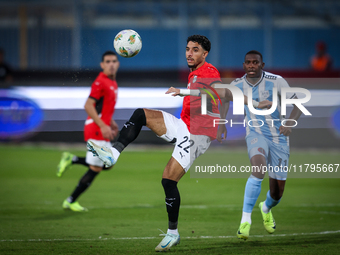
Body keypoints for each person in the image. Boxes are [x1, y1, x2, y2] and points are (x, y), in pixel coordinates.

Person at [87, 36, 271, 251]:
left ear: (205, 54)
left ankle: (173, 233)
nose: (189, 53)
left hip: (198, 135)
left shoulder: (209, 71)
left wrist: (256, 103)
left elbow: (221, 92)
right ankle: (113, 154)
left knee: (168, 181)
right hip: (184, 125)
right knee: (141, 114)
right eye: (187, 49)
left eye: (195, 50)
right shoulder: (194, 73)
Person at [217, 50, 302, 240]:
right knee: (258, 168)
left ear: (262, 65)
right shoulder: (237, 85)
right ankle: (245, 221)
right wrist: (222, 123)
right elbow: (225, 99)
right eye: (248, 62)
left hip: (279, 138)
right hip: (255, 133)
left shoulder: (277, 81)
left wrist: (289, 123)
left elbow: (298, 103)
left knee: (277, 193)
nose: (252, 65)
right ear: (244, 65)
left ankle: (266, 207)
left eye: (255, 62)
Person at [57, 50, 120, 212]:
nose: (111, 64)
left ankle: (73, 159)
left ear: (118, 64)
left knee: (108, 164)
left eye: (114, 61)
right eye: (107, 61)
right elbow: (88, 105)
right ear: (102, 65)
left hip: (101, 128)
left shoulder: (113, 83)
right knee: (96, 168)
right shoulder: (100, 82)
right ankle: (70, 201)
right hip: (96, 129)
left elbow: (103, 108)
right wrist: (103, 126)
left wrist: (110, 122)